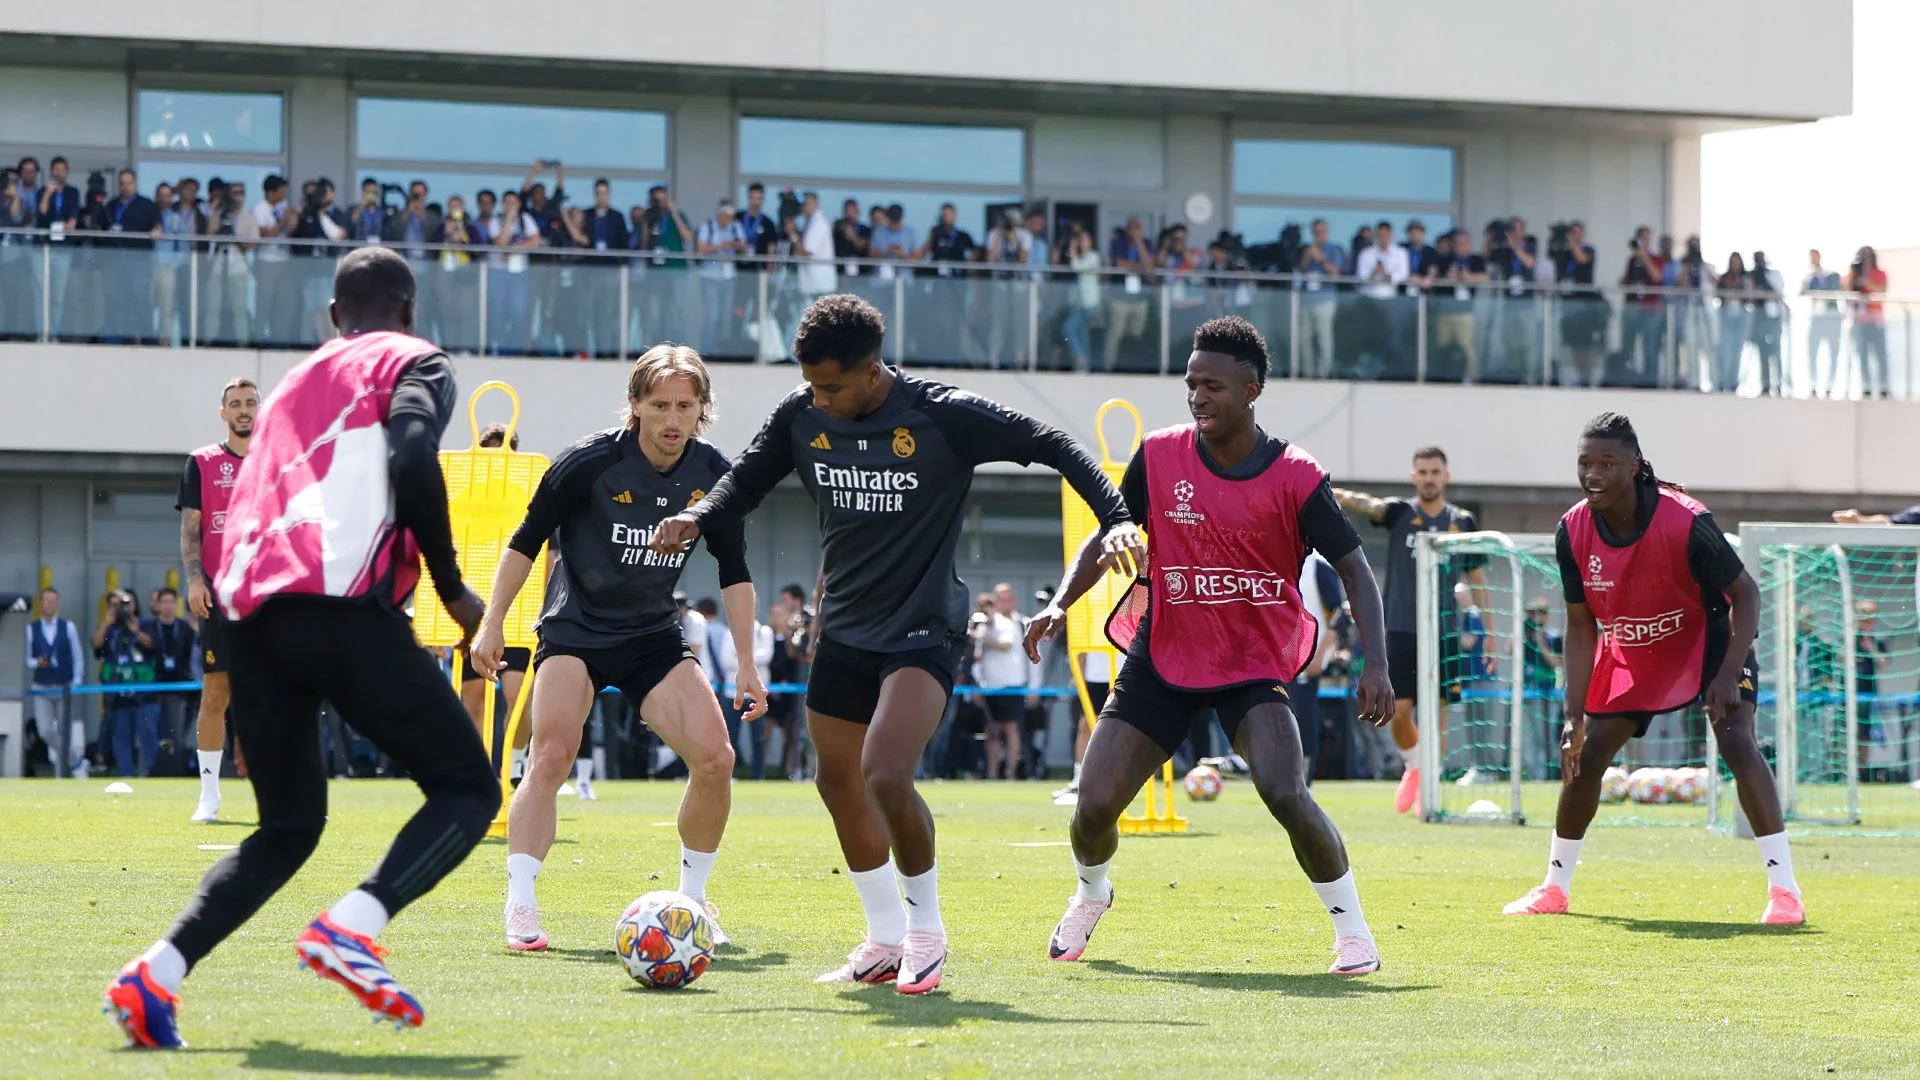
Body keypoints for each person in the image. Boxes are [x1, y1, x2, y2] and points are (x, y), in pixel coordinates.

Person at [648, 293, 1140, 995]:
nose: (817, 397)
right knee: (835, 779)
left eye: (832, 386)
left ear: (872, 370)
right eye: (811, 384)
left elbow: (1055, 446)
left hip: (924, 628)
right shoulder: (801, 414)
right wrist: (697, 515)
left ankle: (925, 934)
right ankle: (882, 938)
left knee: (884, 771)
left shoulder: (942, 414)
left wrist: (1117, 517)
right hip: (845, 628)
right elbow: (745, 483)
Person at [107, 247, 499, 1047]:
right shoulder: (411, 359)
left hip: (251, 621)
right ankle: (353, 927)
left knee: (288, 825)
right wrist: (455, 591)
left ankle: (155, 975)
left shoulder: (290, 386)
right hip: (339, 607)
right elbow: (415, 452)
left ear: (332, 318)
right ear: (410, 311)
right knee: (468, 789)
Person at [1028, 316, 1394, 974]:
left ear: (1251, 390)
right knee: (1094, 803)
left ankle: (1353, 932)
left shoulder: (1296, 475)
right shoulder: (1160, 454)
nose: (1198, 396)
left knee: (1285, 789)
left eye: (1214, 386)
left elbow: (1355, 569)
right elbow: (1110, 532)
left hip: (1252, 663)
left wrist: (1376, 664)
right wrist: (1059, 604)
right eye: (1192, 383)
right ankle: (1092, 894)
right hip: (1163, 653)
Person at [471, 344, 767, 953]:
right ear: (634, 405)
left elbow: (734, 571)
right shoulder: (588, 461)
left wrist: (746, 663)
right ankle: (520, 903)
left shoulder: (715, 475)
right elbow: (525, 541)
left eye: (686, 405)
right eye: (659, 404)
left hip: (652, 637)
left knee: (716, 758)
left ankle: (693, 900)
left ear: (702, 410)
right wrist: (491, 621)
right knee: (551, 753)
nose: (672, 419)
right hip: (576, 631)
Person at [1503, 412, 1803, 926]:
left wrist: (1730, 670)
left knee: (1736, 740)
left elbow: (1745, 594)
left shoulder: (1685, 520)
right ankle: (1554, 887)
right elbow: (1580, 628)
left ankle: (1785, 892)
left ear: (1634, 466)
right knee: (1586, 755)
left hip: (1709, 638)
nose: (1593, 473)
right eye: (1585, 463)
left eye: (1607, 463)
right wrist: (1572, 714)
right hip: (1635, 647)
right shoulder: (1572, 529)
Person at [1334, 448, 1491, 815]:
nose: (1429, 477)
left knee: (1436, 717)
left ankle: (1430, 792)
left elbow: (1478, 579)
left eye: (1435, 471)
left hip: (1445, 632)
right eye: (1423, 471)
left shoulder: (1462, 521)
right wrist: (1334, 493)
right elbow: (1369, 505)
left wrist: (1490, 634)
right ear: (1413, 476)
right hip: (1402, 629)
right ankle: (1415, 767)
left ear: (1446, 475)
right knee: (1399, 713)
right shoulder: (1401, 514)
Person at [175, 377, 257, 823]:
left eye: (250, 402)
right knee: (216, 693)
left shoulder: (280, 460)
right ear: (223, 413)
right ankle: (209, 795)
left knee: (285, 696)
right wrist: (193, 580)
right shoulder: (201, 463)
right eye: (235, 404)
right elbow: (192, 529)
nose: (243, 409)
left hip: (270, 598)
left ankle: (290, 796)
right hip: (221, 598)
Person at [459, 422, 536, 776]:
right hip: (472, 613)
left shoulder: (526, 498)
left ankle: (516, 762)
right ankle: (478, 774)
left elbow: (545, 556)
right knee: (472, 697)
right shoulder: (469, 499)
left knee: (518, 698)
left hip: (517, 613)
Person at [93, 590, 159, 777]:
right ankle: (126, 776)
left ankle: (150, 777)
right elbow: (96, 646)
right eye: (114, 605)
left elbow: (153, 646)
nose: (120, 609)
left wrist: (136, 630)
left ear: (134, 604)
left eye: (124, 604)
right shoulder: (110, 630)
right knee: (121, 740)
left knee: (148, 737)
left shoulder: (145, 624)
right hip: (118, 697)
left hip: (144, 696)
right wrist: (106, 623)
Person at [26, 587, 86, 777]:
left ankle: (62, 773)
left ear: (58, 604)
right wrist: (38, 662)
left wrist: (77, 680)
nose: (50, 605)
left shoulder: (68, 627)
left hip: (63, 686)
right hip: (42, 687)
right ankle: (76, 762)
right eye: (46, 601)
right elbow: (27, 659)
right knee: (45, 731)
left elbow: (77, 655)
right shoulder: (31, 629)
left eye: (53, 601)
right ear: (40, 603)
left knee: (64, 731)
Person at [972, 582, 1030, 779]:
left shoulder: (1009, 624)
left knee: (1010, 727)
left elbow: (1006, 644)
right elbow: (977, 658)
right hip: (989, 685)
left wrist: (981, 638)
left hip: (1011, 683)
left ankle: (1010, 771)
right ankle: (992, 772)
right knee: (990, 730)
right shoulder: (981, 624)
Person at [1847, 247, 1889, 399]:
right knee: (1862, 355)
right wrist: (1854, 276)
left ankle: (1884, 386)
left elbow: (1881, 291)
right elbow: (1848, 297)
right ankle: (1866, 386)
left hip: (1876, 320)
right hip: (1860, 321)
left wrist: (1866, 281)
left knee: (1880, 354)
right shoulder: (1853, 274)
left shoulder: (1880, 274)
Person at [1803, 250, 1844, 398]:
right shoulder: (1810, 278)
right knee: (1812, 353)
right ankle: (1813, 385)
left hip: (1832, 319)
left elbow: (1837, 291)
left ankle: (1829, 386)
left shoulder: (1832, 276)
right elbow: (1804, 291)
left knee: (1833, 354)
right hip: (1817, 319)